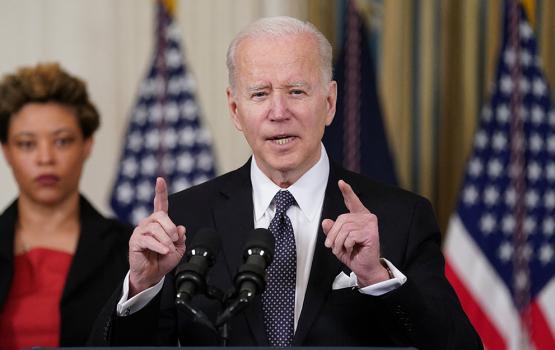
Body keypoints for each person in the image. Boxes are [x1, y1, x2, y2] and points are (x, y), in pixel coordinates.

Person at [90, 16, 482, 348]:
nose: (279, 112)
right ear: (235, 110)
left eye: (296, 91)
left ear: (329, 103)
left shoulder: (400, 216)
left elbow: (459, 346)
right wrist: (142, 286)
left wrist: (378, 277)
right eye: (260, 94)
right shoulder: (185, 219)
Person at [0, 63, 132, 348]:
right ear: (6, 151)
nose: (45, 157)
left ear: (86, 145)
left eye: (61, 141)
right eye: (26, 144)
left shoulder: (128, 251)